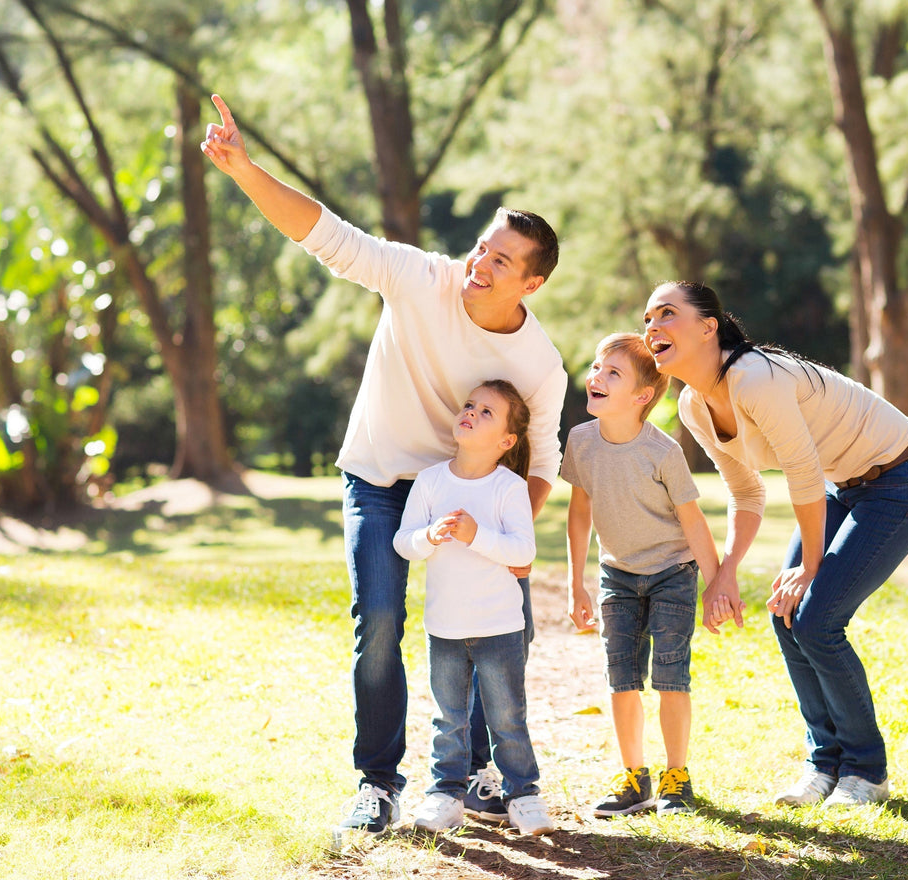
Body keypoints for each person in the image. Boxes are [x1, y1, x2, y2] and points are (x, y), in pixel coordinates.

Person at [201, 96, 568, 834]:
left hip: (461, 494)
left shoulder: (539, 363)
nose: (480, 263)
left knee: (504, 626)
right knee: (379, 618)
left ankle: (493, 775)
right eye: (482, 247)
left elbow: (543, 461)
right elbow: (326, 234)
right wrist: (244, 170)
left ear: (530, 283)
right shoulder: (419, 277)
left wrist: (504, 541)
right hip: (376, 478)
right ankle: (377, 784)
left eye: (501, 260)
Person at [642, 281, 908, 807]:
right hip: (843, 485)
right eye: (648, 318)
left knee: (816, 619)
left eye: (667, 314)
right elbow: (745, 491)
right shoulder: (693, 405)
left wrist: (809, 566)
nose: (653, 327)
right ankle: (824, 765)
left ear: (709, 327)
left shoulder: (754, 378)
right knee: (787, 617)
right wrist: (726, 570)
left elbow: (800, 474)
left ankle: (866, 772)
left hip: (901, 478)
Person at [561, 333, 722, 817]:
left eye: (613, 373)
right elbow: (579, 511)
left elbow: (692, 520)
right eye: (596, 367)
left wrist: (716, 584)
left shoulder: (663, 451)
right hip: (618, 575)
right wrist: (575, 582)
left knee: (671, 675)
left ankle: (677, 777)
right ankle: (634, 777)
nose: (596, 377)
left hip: (673, 571)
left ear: (642, 396)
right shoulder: (581, 441)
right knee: (622, 677)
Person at [394, 380, 555, 836]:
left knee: (507, 717)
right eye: (470, 405)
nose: (471, 412)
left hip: (500, 627)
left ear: (506, 441)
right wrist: (428, 537)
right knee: (449, 717)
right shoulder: (430, 481)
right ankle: (445, 795)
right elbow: (403, 542)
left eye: (487, 412)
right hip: (444, 628)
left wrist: (474, 535)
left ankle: (523, 796)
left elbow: (522, 551)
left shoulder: (508, 487)